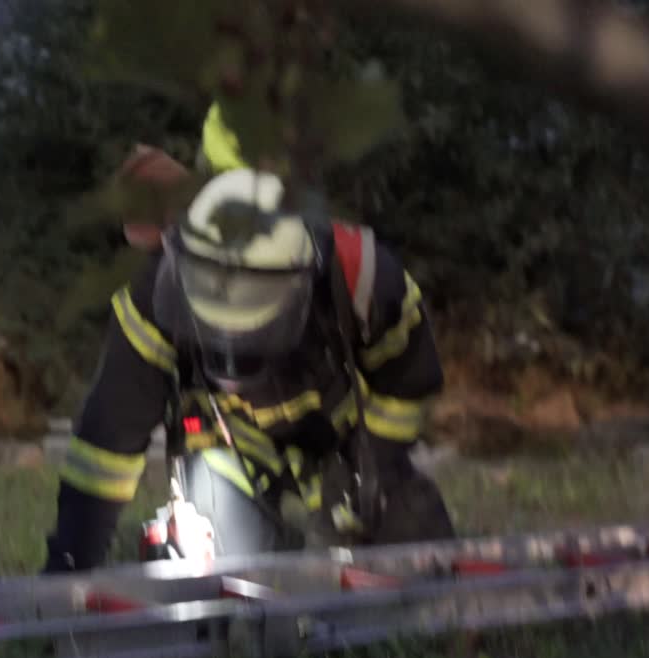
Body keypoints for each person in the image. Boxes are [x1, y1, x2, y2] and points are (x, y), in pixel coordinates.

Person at [40, 107, 455, 573]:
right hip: (226, 450)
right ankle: (210, 540)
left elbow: (408, 382)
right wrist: (70, 568)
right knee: (232, 576)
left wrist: (375, 467)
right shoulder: (154, 296)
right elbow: (106, 445)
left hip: (336, 453)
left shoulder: (362, 276)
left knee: (421, 567)